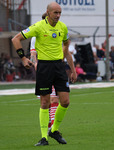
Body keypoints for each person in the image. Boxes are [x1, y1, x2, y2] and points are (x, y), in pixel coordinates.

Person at [12, 2, 77, 146]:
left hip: (59, 67)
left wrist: (72, 70)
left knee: (65, 101)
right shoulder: (38, 27)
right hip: (44, 67)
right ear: (48, 12)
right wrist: (23, 58)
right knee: (45, 102)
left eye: (60, 13)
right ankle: (44, 138)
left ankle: (54, 131)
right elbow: (15, 39)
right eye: (55, 13)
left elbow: (66, 44)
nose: (58, 16)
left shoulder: (63, 27)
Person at [30, 12, 60, 131]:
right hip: (43, 71)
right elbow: (33, 53)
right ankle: (48, 124)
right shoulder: (35, 36)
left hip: (56, 69)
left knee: (55, 99)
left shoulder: (56, 33)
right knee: (45, 101)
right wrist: (35, 63)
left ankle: (53, 126)